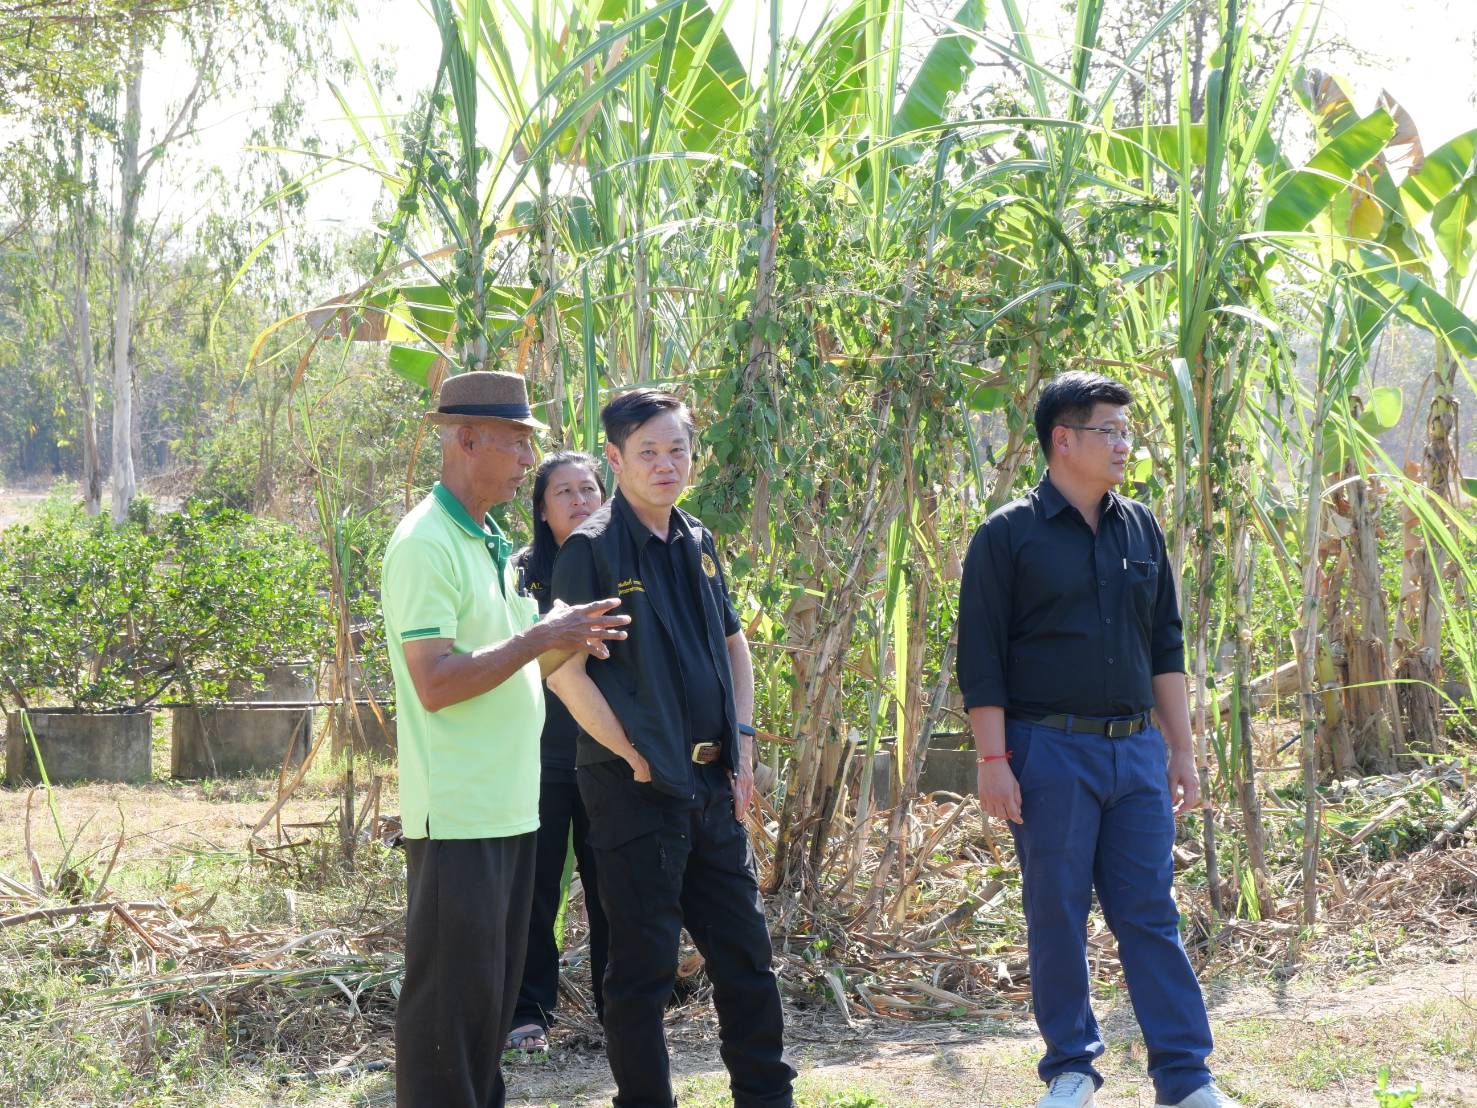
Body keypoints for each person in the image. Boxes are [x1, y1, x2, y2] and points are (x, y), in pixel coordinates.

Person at [957, 371, 1237, 1108]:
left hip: (1136, 751)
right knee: (1055, 909)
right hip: (1046, 750)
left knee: (1148, 911)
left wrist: (1180, 749)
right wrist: (992, 760)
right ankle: (1071, 1069)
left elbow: (1163, 647)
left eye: (1124, 430)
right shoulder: (1006, 535)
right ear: (1062, 440)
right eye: (1108, 430)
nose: (1122, 443)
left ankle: (1184, 1077)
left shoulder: (1139, 525)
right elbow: (979, 658)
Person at [380, 370, 630, 1108]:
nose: (528, 463)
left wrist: (570, 640)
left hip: (508, 806)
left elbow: (512, 664)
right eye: (517, 444)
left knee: (484, 1007)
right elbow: (437, 681)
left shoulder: (487, 542)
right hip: (459, 813)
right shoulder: (425, 542)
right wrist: (541, 634)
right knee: (446, 1011)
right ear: (465, 439)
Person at [547, 388, 795, 1108]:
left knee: (745, 957)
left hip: (713, 785)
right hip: (632, 790)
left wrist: (742, 744)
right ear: (615, 459)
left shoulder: (696, 539)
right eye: (647, 452)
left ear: (693, 455)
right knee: (641, 971)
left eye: (676, 449)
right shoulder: (590, 551)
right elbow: (564, 674)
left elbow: (732, 642)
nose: (665, 464)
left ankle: (766, 1095)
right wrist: (629, 752)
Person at [507, 451, 612, 1055]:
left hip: (611, 758)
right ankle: (528, 1012)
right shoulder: (521, 573)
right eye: (563, 493)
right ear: (542, 511)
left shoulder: (622, 562)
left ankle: (618, 1006)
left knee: (612, 892)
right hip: (540, 759)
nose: (578, 500)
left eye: (589, 489)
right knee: (537, 890)